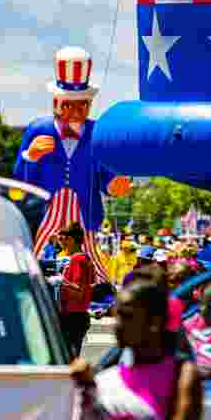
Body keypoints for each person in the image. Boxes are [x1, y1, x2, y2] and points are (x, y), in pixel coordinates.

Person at [13, 46, 132, 262]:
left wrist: (114, 185)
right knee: (39, 263)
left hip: (85, 222)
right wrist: (30, 157)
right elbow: (20, 182)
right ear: (55, 103)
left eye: (81, 105)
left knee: (90, 268)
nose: (74, 113)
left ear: (89, 105)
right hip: (44, 220)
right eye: (67, 105)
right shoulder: (38, 130)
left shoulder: (98, 133)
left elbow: (107, 177)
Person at [69, 275, 204, 420]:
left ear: (154, 323)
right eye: (117, 316)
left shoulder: (182, 375)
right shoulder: (105, 378)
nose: (117, 325)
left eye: (127, 316)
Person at [60, 226, 95, 358]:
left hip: (72, 316)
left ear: (72, 240)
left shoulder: (77, 260)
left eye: (65, 238)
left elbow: (79, 291)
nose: (62, 242)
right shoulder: (86, 258)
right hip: (79, 315)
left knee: (68, 358)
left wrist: (60, 282)